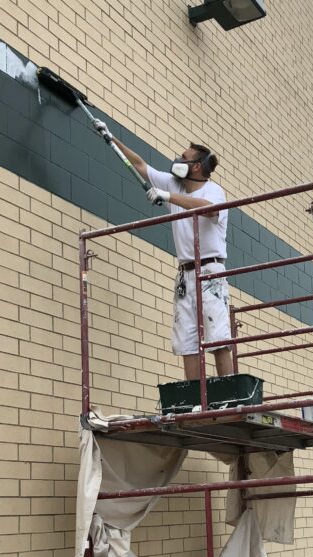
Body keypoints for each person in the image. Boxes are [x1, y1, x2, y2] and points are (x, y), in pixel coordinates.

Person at [92, 119, 233, 381]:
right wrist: (111, 138)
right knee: (187, 339)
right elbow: (140, 166)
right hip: (185, 273)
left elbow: (209, 209)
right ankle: (193, 400)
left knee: (218, 335)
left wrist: (168, 197)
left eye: (184, 157)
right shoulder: (173, 183)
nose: (177, 159)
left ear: (197, 166)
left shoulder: (214, 191)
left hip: (210, 270)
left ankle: (232, 397)